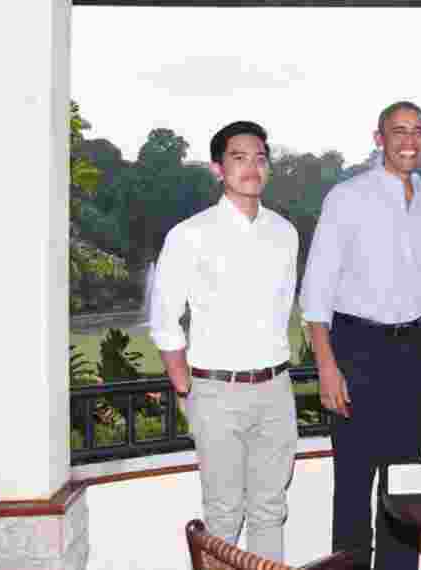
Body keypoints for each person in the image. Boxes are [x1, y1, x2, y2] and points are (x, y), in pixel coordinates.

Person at [300, 101, 421, 570]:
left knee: (404, 489)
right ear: (378, 138)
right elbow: (316, 293)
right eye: (398, 131)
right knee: (353, 487)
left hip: (410, 355)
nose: (410, 140)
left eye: (418, 131)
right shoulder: (347, 197)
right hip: (355, 348)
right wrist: (326, 365)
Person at [149, 121, 299, 562]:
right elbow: (164, 317)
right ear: (218, 168)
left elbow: (281, 310)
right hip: (216, 391)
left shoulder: (285, 233)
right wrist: (184, 388)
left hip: (276, 389)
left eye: (259, 157)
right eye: (238, 157)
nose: (251, 166)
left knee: (271, 508)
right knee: (223, 514)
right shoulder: (190, 234)